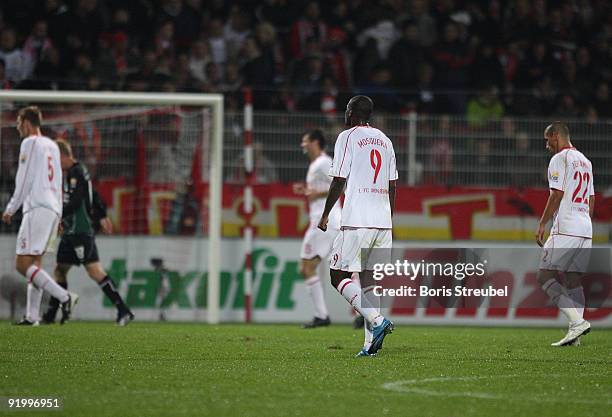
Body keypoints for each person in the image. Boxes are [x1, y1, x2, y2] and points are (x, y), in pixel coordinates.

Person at [318, 96, 397, 357]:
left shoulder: (347, 137)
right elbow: (392, 184)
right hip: (383, 222)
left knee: (337, 275)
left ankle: (377, 320)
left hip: (357, 220)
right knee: (368, 282)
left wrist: (326, 213)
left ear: (351, 112)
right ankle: (369, 346)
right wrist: (388, 217)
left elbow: (339, 179)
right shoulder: (385, 140)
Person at [41, 139, 134, 326]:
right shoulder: (72, 173)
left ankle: (123, 310)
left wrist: (58, 215)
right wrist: (101, 214)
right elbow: (93, 195)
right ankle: (52, 315)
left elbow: (77, 202)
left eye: (54, 158)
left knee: (95, 271)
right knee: (60, 270)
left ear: (63, 155)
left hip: (80, 231)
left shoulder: (77, 172)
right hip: (70, 232)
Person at [2, 106, 77, 325]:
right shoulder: (52, 145)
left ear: (26, 122)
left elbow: (23, 178)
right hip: (52, 209)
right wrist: (59, 214)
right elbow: (58, 182)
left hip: (37, 208)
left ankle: (64, 297)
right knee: (35, 263)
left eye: (18, 122)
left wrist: (11, 207)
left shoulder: (30, 143)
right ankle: (32, 316)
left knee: (22, 264)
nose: (17, 127)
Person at [536, 122, 594, 346]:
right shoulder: (585, 161)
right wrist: (584, 222)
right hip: (584, 227)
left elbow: (556, 194)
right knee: (573, 279)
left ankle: (577, 323)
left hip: (567, 225)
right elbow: (591, 198)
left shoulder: (560, 159)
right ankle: (575, 335)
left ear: (557, 136)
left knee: (544, 275)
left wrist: (542, 223)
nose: (546, 145)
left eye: (547, 139)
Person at [293, 129, 341, 328]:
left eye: (305, 141)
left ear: (315, 142)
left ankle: (322, 316)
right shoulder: (315, 165)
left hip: (323, 222)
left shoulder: (323, 162)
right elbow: (323, 188)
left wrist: (316, 194)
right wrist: (307, 191)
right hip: (325, 222)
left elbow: (340, 184)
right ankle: (359, 312)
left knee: (307, 267)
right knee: (340, 269)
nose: (302, 145)